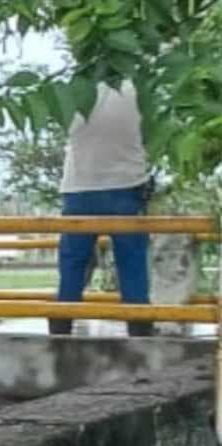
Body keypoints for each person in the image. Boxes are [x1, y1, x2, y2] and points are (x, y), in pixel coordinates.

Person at [50, 82, 154, 338]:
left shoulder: (73, 91)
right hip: (126, 185)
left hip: (79, 187)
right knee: (132, 263)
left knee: (73, 263)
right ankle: (139, 329)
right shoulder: (139, 88)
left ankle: (61, 329)